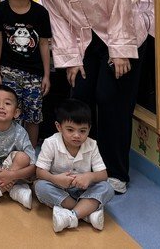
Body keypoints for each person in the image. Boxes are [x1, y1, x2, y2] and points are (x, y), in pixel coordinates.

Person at [36, 0, 147, 194]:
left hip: (120, 35)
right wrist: (71, 59)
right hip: (82, 41)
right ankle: (88, 166)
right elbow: (56, 18)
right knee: (81, 99)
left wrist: (120, 50)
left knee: (111, 101)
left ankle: (116, 172)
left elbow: (121, 3)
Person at [0, 0, 52, 146]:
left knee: (33, 116)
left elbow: (44, 44)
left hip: (35, 74)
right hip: (8, 72)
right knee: (8, 114)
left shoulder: (41, 13)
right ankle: (9, 152)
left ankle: (29, 153)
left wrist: (46, 75)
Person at [34, 98, 114, 233]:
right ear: (59, 127)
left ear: (89, 128)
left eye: (82, 131)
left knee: (107, 188)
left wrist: (89, 176)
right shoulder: (50, 143)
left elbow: (103, 175)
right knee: (40, 186)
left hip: (84, 190)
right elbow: (39, 172)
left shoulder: (92, 144)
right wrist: (55, 179)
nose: (77, 135)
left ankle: (72, 215)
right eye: (70, 130)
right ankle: (86, 213)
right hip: (59, 188)